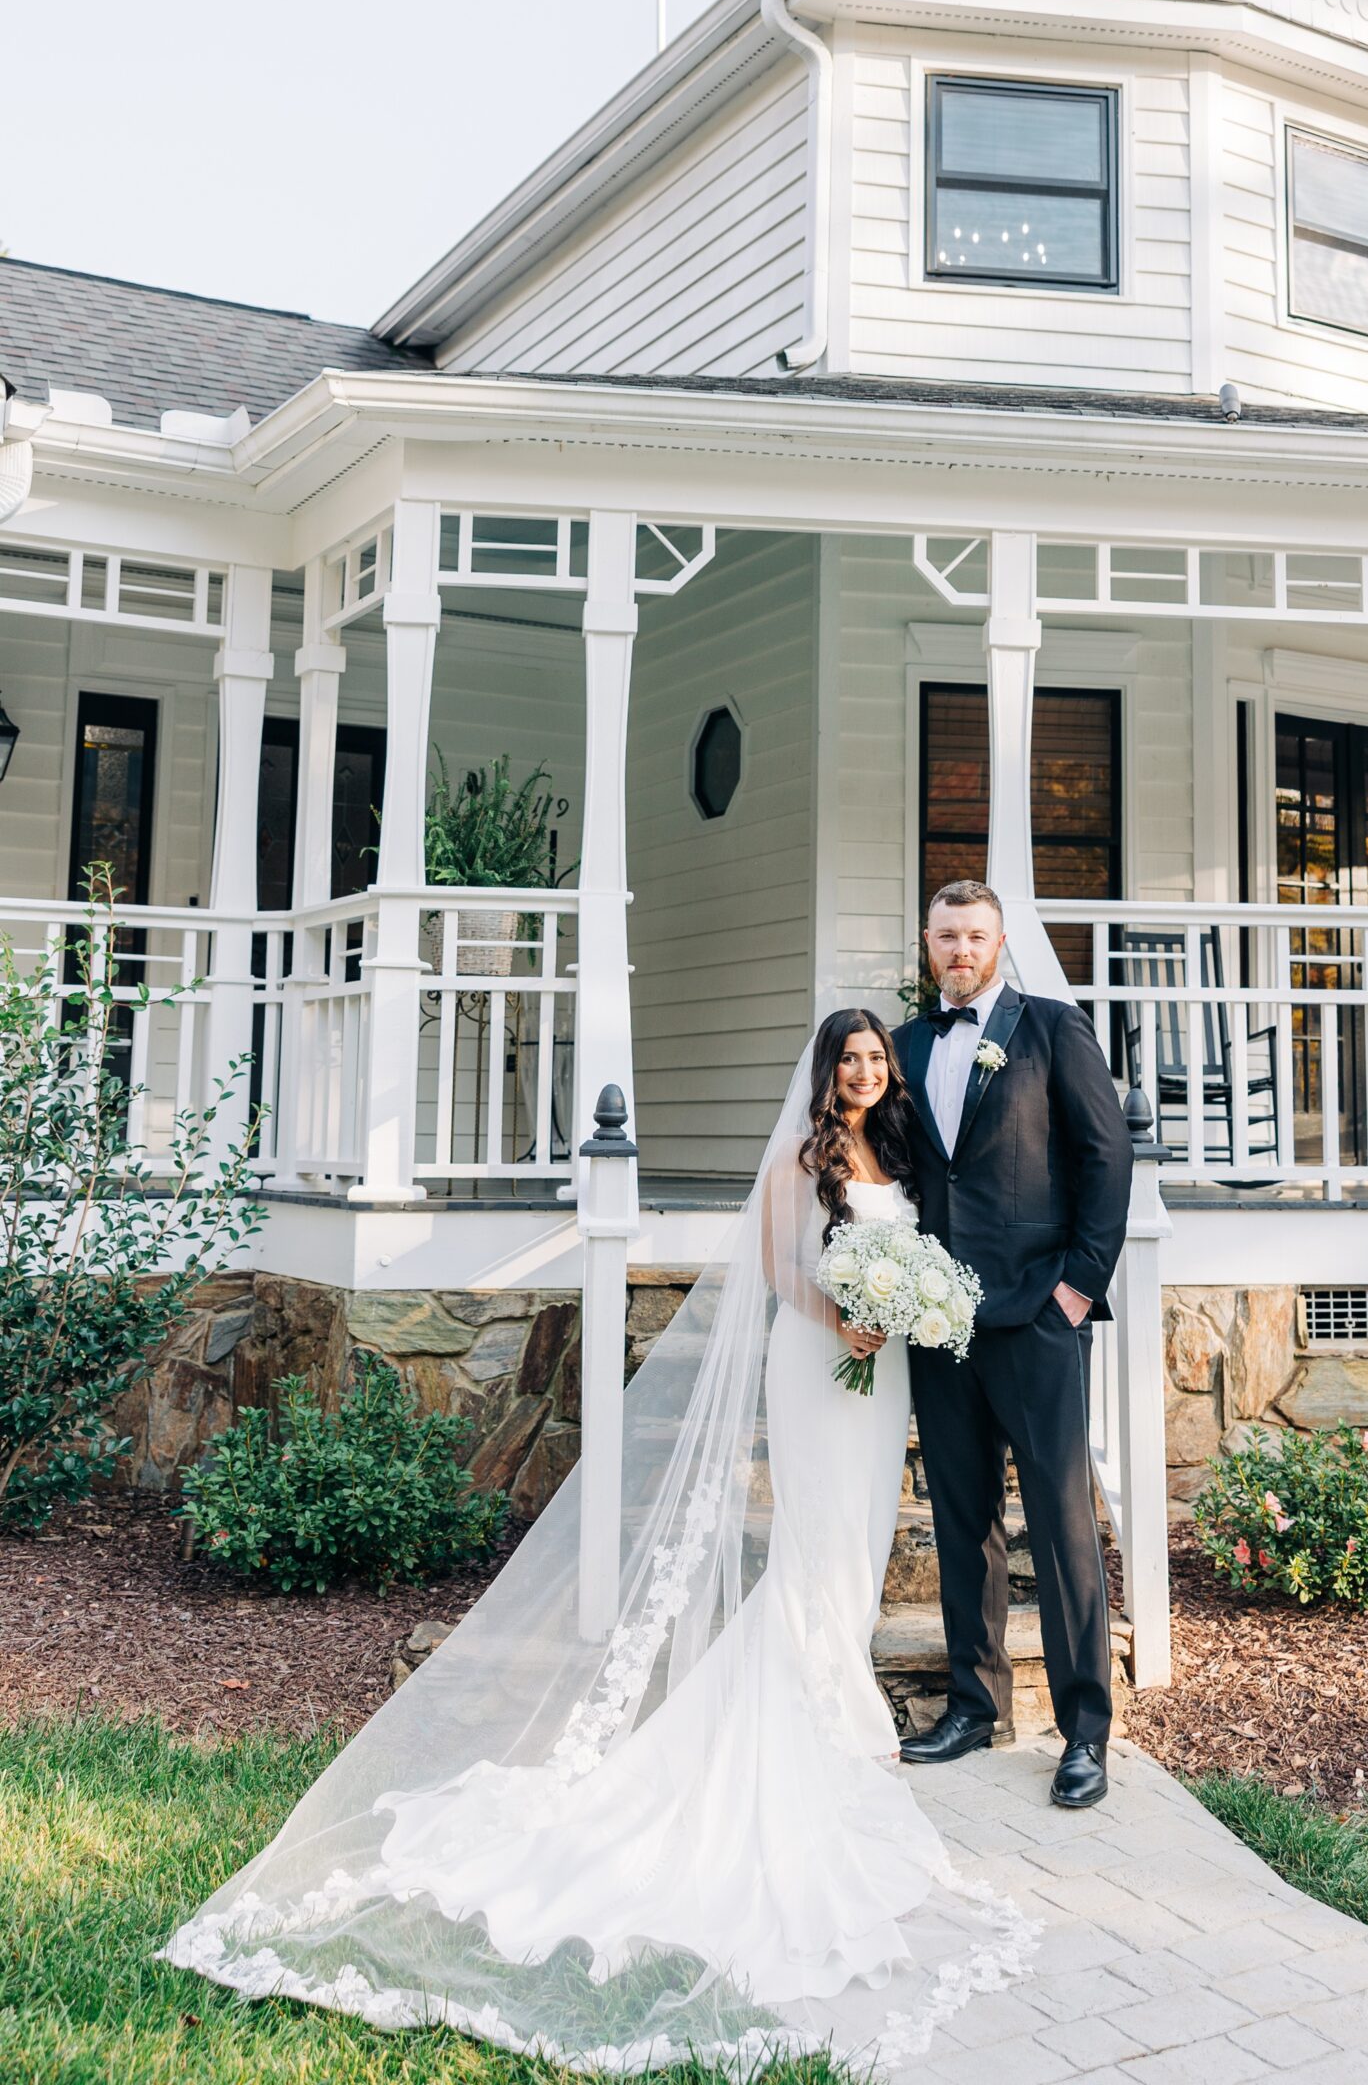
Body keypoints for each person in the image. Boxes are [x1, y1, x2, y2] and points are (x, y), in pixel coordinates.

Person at [162, 1010, 1035, 2071]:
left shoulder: (894, 1147)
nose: (862, 1070)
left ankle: (831, 1685)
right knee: (813, 1544)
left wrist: (895, 1314)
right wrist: (840, 1319)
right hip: (818, 1367)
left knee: (853, 1544)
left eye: (872, 1058)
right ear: (824, 1071)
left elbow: (908, 1249)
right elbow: (776, 1268)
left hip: (879, 1374)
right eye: (847, 1058)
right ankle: (814, 1711)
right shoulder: (801, 1160)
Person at [892, 881, 1132, 1810]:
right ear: (927, 942)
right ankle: (971, 1702)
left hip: (1037, 1312)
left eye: (975, 935)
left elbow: (1106, 1156)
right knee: (963, 1519)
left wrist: (1078, 1287)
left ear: (998, 943)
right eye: (946, 935)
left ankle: (1084, 1734)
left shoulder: (1051, 1029)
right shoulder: (908, 1047)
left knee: (1063, 1523)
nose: (960, 949)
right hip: (938, 1322)